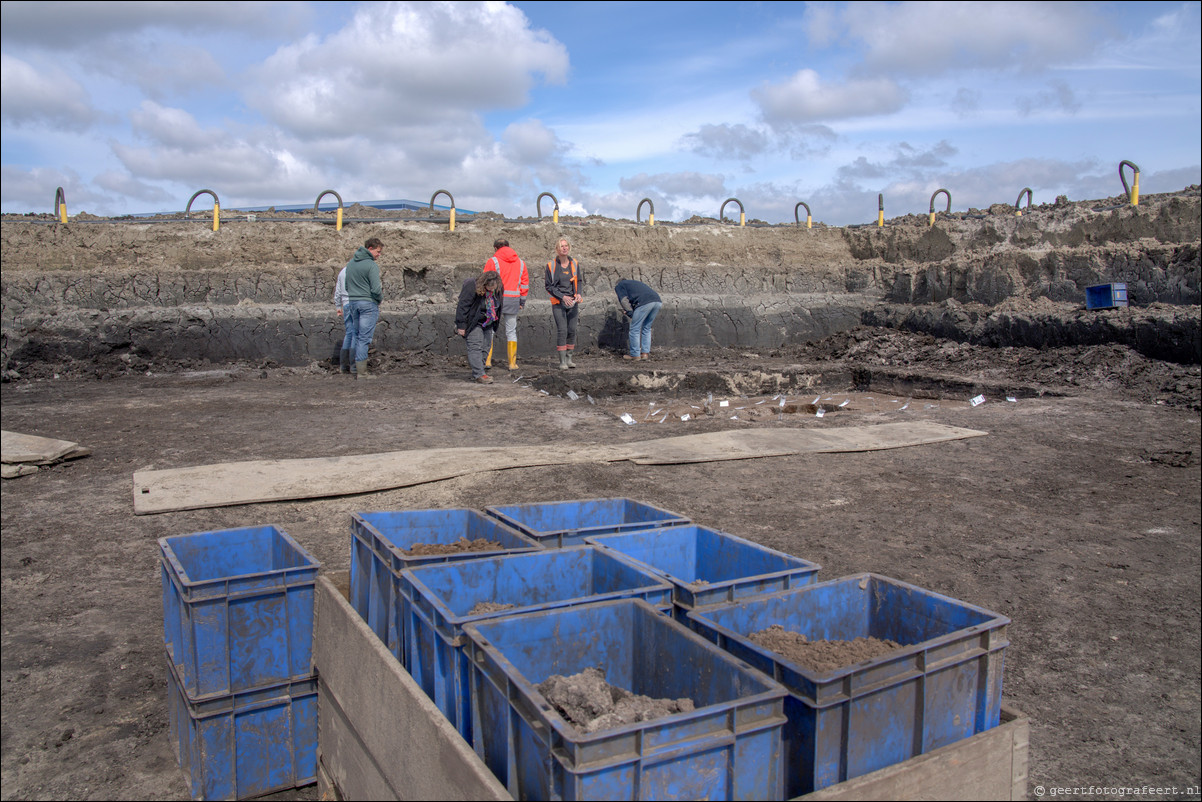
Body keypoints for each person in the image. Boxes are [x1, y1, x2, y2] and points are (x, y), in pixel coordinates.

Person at [483, 239, 528, 370]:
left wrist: (485, 299)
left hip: (495, 300)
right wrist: (522, 301)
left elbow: (484, 280)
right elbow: (524, 284)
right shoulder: (521, 263)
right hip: (513, 300)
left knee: (490, 330)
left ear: (496, 248)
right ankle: (512, 364)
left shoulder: (493, 261)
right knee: (511, 331)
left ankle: (486, 361)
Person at [345, 237, 384, 380]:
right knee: (364, 338)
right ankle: (362, 373)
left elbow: (347, 286)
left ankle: (354, 368)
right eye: (378, 252)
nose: (379, 255)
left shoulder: (350, 264)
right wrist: (378, 299)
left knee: (355, 335)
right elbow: (375, 288)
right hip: (368, 304)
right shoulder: (371, 265)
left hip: (353, 303)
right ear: (370, 249)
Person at [456, 270, 504, 384]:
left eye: (494, 288)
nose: (492, 290)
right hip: (473, 321)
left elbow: (499, 305)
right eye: (489, 288)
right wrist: (461, 325)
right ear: (484, 285)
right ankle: (479, 374)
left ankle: (479, 371)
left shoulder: (498, 288)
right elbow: (463, 306)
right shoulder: (471, 286)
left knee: (486, 346)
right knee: (475, 345)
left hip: (488, 321)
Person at [545, 238, 583, 370]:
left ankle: (569, 359)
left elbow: (579, 281)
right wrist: (562, 297)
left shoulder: (575, 264)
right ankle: (562, 361)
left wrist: (578, 293)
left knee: (572, 330)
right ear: (557, 249)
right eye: (561, 246)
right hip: (558, 303)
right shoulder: (551, 266)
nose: (564, 248)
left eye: (566, 246)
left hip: (573, 302)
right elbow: (549, 286)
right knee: (563, 330)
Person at [615, 278, 662, 360]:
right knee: (646, 327)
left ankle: (635, 355)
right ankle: (645, 354)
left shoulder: (620, 285)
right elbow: (636, 298)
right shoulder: (634, 284)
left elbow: (623, 300)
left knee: (634, 329)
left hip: (645, 303)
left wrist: (629, 313)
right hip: (657, 301)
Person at [333, 263, 356, 375]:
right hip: (356, 304)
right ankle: (353, 366)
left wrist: (338, 306)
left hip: (346, 305)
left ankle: (343, 366)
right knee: (356, 334)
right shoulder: (358, 271)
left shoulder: (342, 271)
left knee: (349, 334)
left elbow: (338, 291)